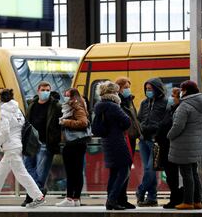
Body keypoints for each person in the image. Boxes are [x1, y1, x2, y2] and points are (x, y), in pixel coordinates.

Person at [0, 89, 45, 209]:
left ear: (1, 99)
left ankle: (38, 197)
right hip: (17, 145)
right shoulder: (17, 109)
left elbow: (5, 131)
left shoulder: (4, 110)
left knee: (21, 174)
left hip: (11, 146)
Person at [167, 80, 202, 210]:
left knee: (186, 173)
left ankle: (188, 202)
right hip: (195, 142)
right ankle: (197, 201)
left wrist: (169, 135)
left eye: (182, 90)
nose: (181, 92)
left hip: (183, 144)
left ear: (186, 91)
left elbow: (178, 126)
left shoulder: (185, 106)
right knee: (193, 173)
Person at [21, 81, 62, 206]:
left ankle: (30, 196)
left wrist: (55, 139)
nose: (45, 92)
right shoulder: (31, 104)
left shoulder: (56, 106)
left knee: (41, 172)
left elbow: (59, 124)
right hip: (31, 142)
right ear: (38, 90)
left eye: (48, 90)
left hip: (45, 143)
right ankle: (38, 192)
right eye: (43, 89)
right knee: (27, 169)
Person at [92, 81, 131, 210]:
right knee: (124, 170)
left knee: (114, 172)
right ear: (113, 93)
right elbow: (127, 121)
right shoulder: (113, 106)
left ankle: (111, 199)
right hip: (117, 141)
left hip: (107, 141)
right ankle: (113, 199)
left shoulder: (99, 105)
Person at [55, 88, 90, 207]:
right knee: (77, 172)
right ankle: (76, 199)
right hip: (77, 144)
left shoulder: (77, 107)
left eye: (67, 95)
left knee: (71, 172)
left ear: (73, 96)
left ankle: (69, 198)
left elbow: (83, 122)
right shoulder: (74, 107)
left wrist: (65, 122)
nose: (65, 97)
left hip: (73, 144)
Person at [136, 78, 167, 207]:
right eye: (147, 89)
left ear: (157, 89)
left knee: (150, 169)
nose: (148, 91)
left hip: (156, 141)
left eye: (150, 89)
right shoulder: (144, 103)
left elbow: (166, 121)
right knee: (149, 170)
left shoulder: (165, 103)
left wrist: (155, 128)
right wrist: (141, 129)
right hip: (143, 140)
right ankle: (152, 198)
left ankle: (141, 190)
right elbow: (139, 119)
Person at [154, 87, 183, 209]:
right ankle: (174, 198)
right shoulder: (171, 110)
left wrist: (165, 136)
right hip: (165, 146)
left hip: (171, 147)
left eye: (173, 96)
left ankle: (175, 199)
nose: (171, 98)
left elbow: (172, 128)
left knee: (173, 175)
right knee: (170, 176)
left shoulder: (178, 111)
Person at [115, 77, 141, 209]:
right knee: (122, 170)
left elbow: (134, 119)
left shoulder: (128, 100)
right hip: (123, 138)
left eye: (128, 87)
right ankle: (118, 199)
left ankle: (122, 198)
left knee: (126, 170)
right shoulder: (118, 102)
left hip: (131, 138)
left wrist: (138, 133)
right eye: (125, 87)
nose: (128, 89)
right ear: (118, 88)